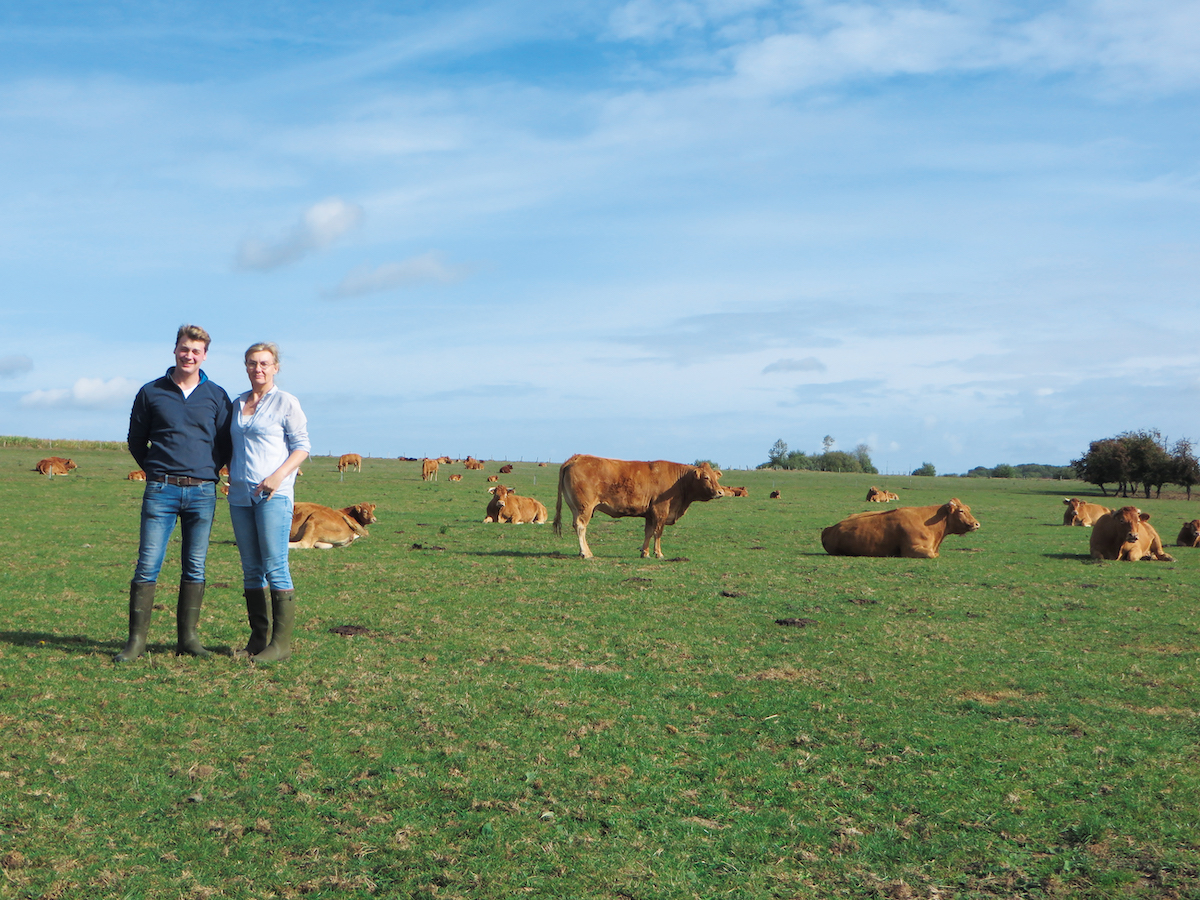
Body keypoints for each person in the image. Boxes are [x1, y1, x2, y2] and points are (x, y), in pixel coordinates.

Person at [116, 324, 232, 663]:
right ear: (175, 349)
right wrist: (155, 469)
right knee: (148, 565)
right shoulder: (151, 392)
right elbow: (136, 440)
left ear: (205, 355)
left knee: (195, 566)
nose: (189, 355)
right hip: (160, 490)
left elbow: (225, 443)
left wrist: (207, 471)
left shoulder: (216, 395)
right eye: (184, 348)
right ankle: (136, 642)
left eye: (196, 351)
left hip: (202, 493)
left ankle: (189, 640)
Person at [227, 342, 310, 663]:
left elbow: (302, 446)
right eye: (251, 363)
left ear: (276, 367)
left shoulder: (286, 402)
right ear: (245, 367)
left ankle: (281, 644)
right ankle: (257, 638)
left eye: (264, 363)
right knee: (251, 569)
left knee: (276, 566)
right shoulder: (236, 404)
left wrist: (278, 476)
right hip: (239, 496)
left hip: (274, 495)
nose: (257, 369)